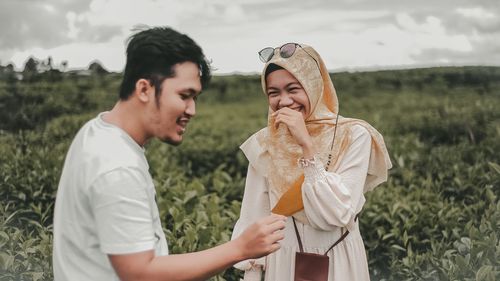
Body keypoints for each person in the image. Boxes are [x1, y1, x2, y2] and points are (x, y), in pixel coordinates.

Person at [52, 26, 286, 281]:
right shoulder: (118, 167)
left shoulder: (96, 130)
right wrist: (239, 248)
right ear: (144, 89)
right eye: (185, 96)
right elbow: (140, 273)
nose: (192, 110)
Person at [231, 43, 392, 280]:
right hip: (283, 261)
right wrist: (253, 274)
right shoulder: (267, 143)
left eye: (293, 89)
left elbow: (338, 214)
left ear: (314, 86)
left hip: (338, 258)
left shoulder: (354, 134)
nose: (284, 101)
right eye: (273, 92)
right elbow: (255, 216)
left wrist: (306, 145)